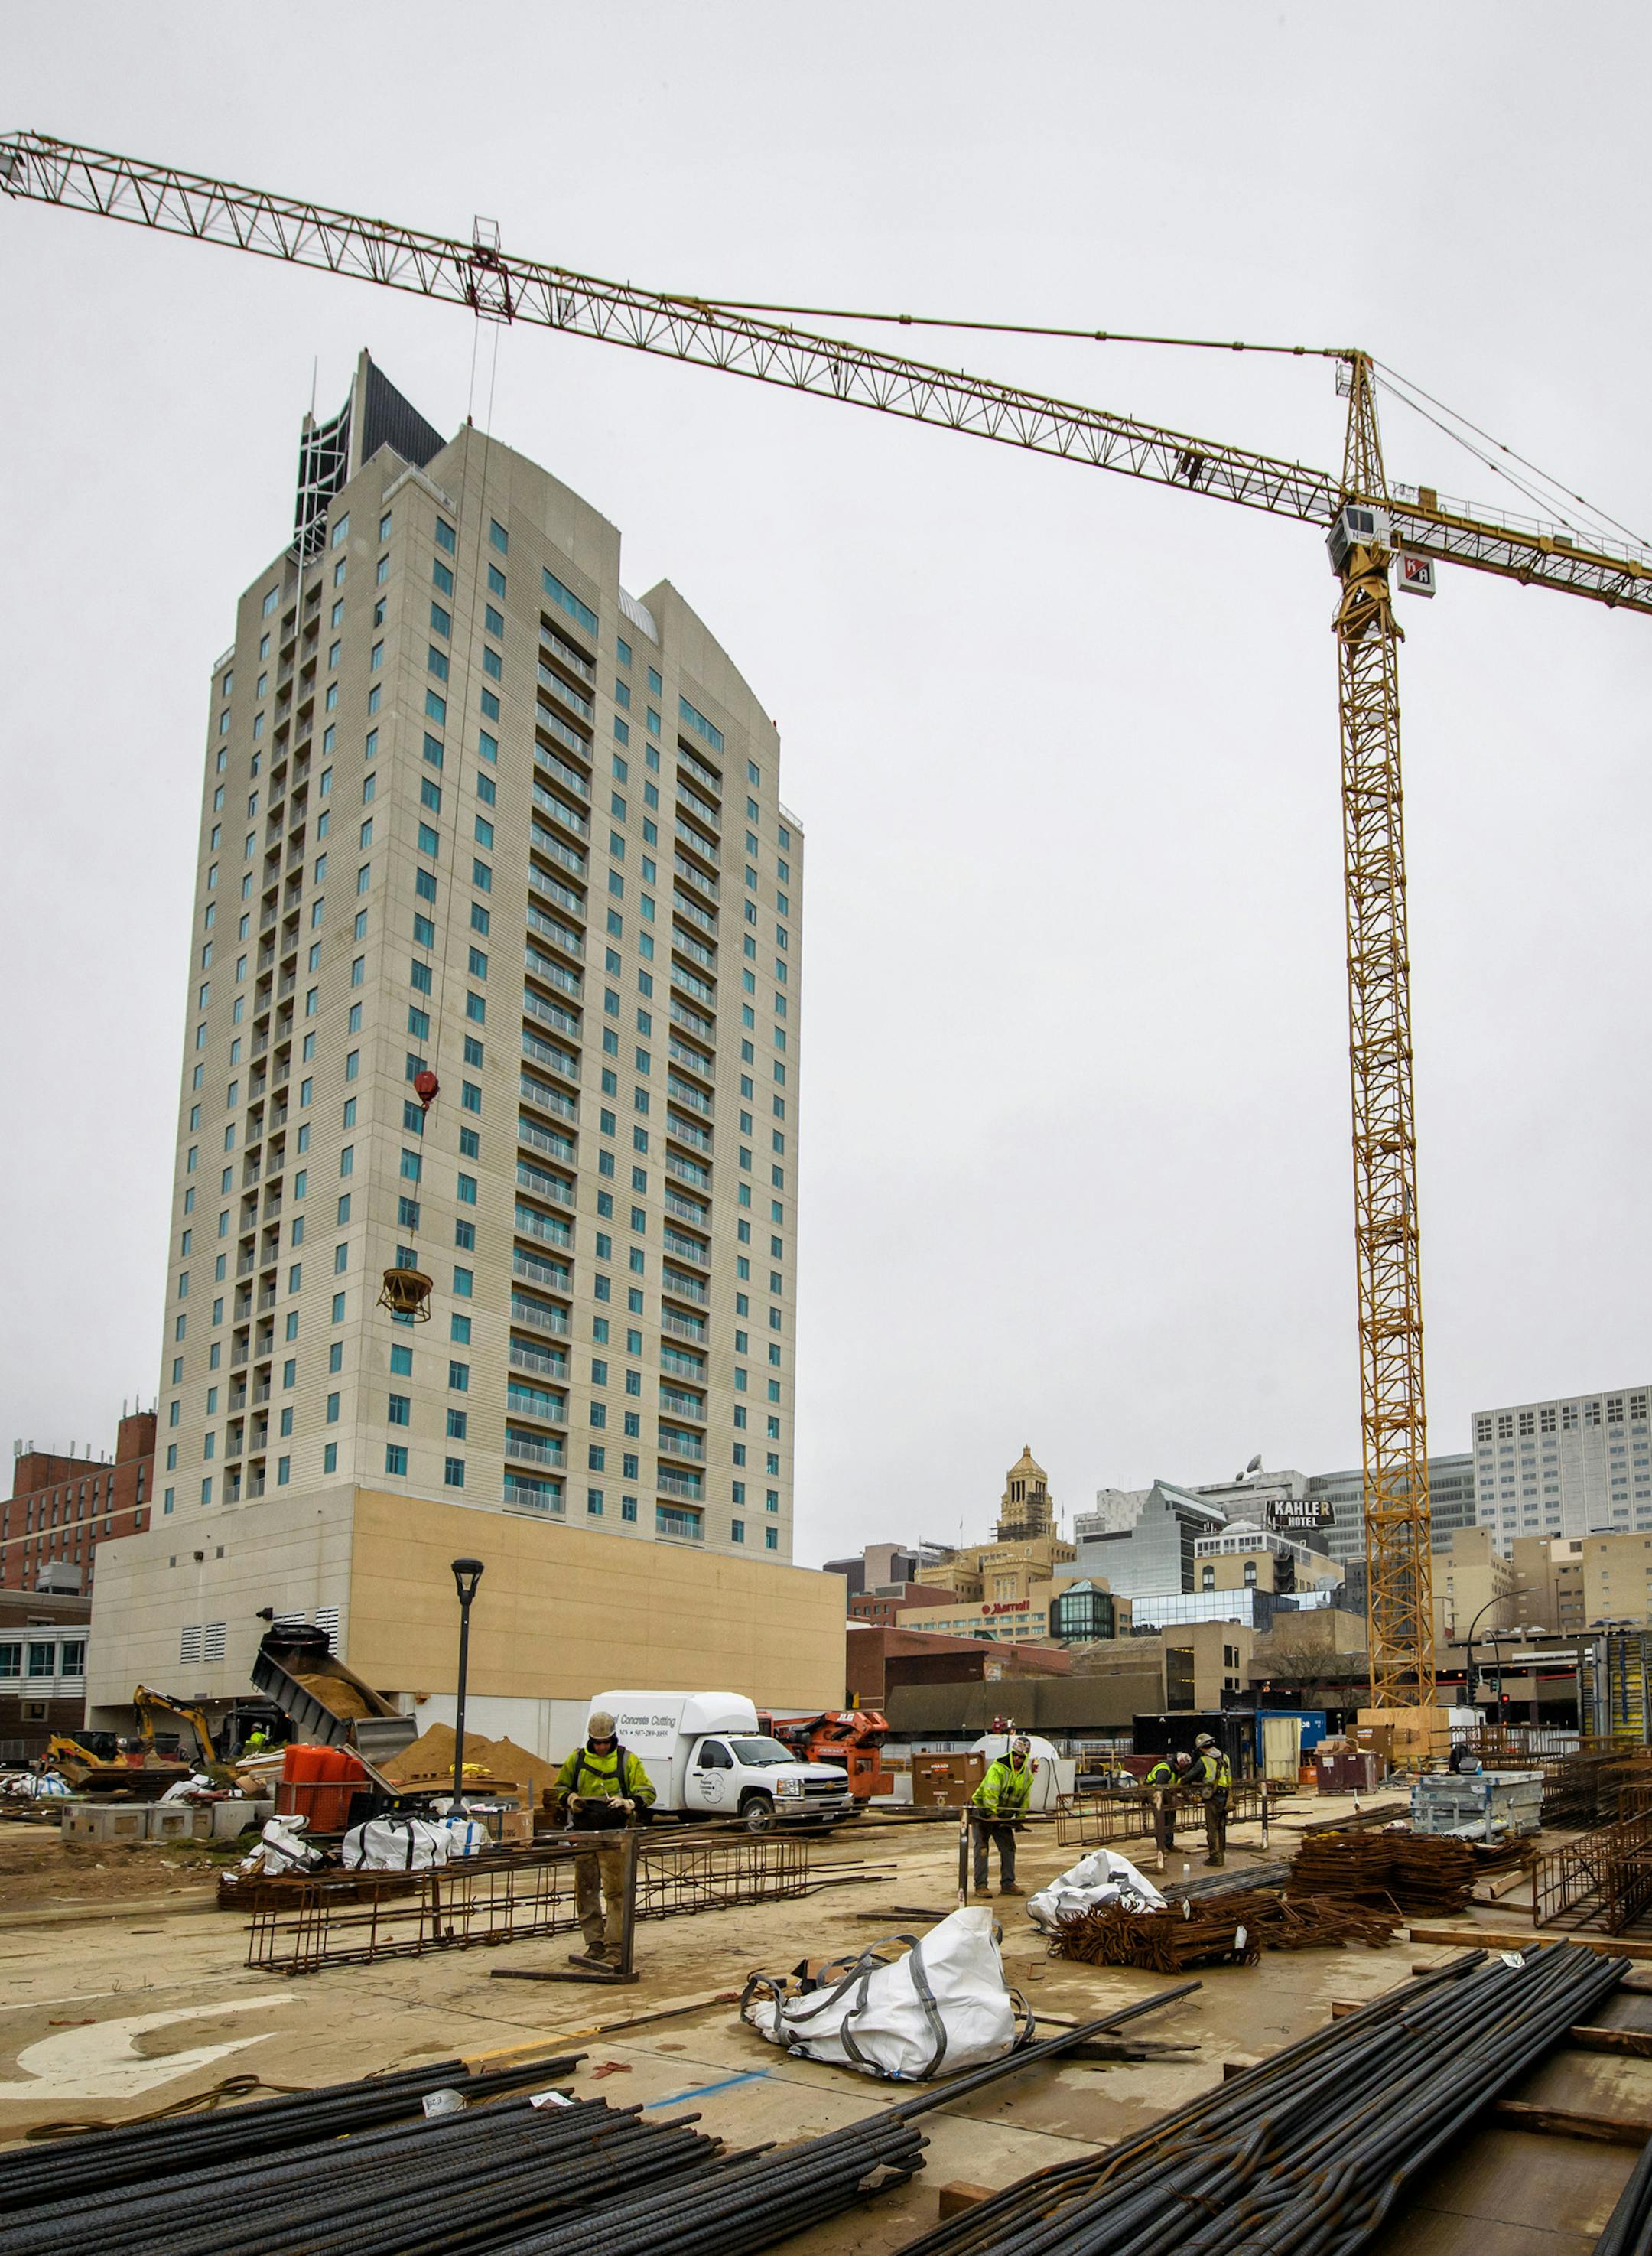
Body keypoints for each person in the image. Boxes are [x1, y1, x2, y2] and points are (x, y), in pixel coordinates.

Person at [551, 1711, 656, 1967]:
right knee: (586, 1891)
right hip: (586, 1835)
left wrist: (630, 1802)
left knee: (616, 1894)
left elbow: (648, 1791)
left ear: (613, 1739)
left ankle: (615, 1947)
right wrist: (571, 1799)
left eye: (605, 1743)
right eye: (597, 1743)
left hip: (616, 1837)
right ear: (591, 1740)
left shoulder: (627, 1761)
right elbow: (559, 1788)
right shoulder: (577, 1760)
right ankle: (594, 1943)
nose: (601, 1747)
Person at [970, 1735, 1035, 1896]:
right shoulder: (998, 1768)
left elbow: (1024, 1798)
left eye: (1022, 1757)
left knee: (1008, 1848)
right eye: (1016, 1755)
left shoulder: (1027, 1775)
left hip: (1002, 1816)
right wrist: (992, 1814)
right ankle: (980, 1885)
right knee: (982, 1848)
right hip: (983, 1812)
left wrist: (1019, 1819)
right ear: (1012, 1753)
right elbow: (990, 1792)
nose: (1018, 1759)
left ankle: (1008, 1884)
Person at [1191, 1733, 1231, 1866]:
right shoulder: (1225, 1757)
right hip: (1225, 1796)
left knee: (1212, 1828)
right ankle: (1221, 1854)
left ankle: (1215, 1857)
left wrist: (1181, 1782)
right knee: (1221, 1826)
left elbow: (1191, 1775)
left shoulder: (1204, 1760)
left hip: (1213, 1798)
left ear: (1202, 1748)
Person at [1143, 1750, 1194, 1854]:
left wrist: (1187, 1797)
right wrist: (1171, 1799)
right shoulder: (1165, 1770)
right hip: (1155, 1795)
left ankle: (1169, 1844)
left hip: (1165, 1794)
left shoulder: (1175, 1770)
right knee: (1161, 1820)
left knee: (1170, 1818)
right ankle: (1161, 1846)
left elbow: (1177, 1785)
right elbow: (1159, 1787)